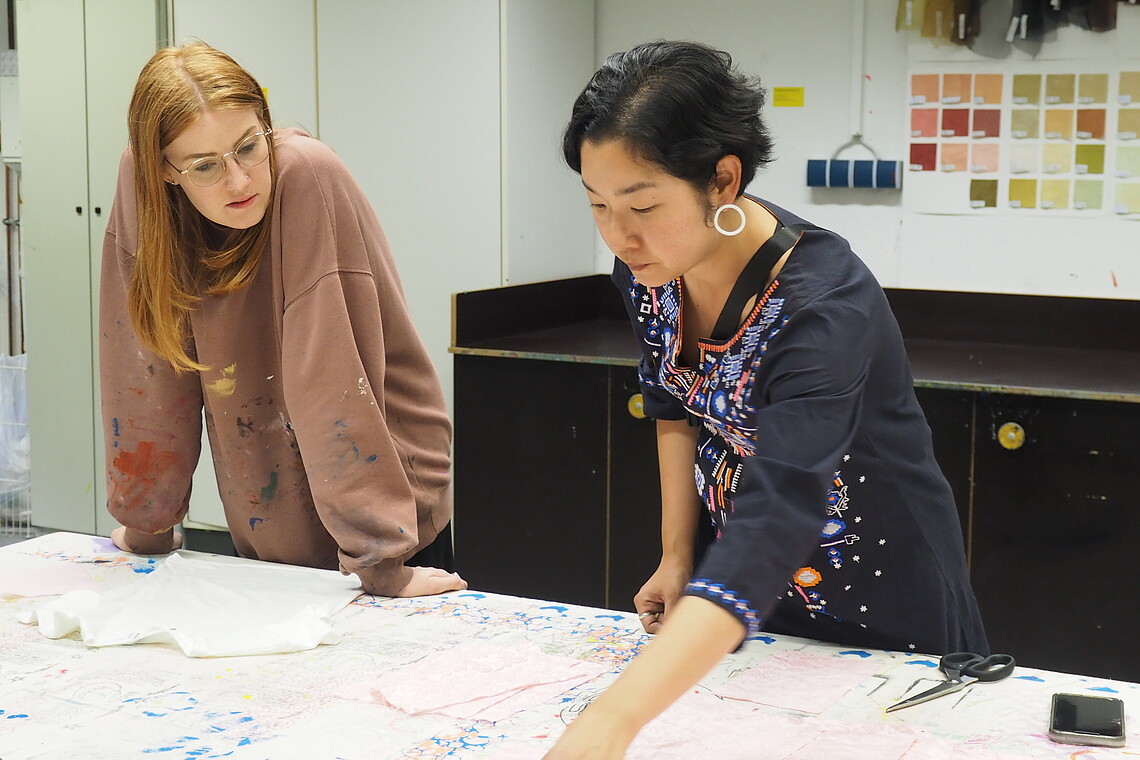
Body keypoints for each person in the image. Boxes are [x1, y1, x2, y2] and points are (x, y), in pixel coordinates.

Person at [545, 41, 987, 758]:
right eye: (597, 204)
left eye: (643, 204)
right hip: (737, 587)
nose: (619, 235)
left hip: (878, 588)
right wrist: (678, 553)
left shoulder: (822, 307)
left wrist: (609, 721)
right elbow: (671, 403)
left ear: (723, 179)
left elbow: (783, 502)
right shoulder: (653, 267)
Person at [100, 41, 466, 599]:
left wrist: (380, 560)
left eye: (248, 147)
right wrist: (147, 518)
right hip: (269, 503)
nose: (240, 181)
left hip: (387, 505)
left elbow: (331, 376)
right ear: (163, 172)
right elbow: (145, 363)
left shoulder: (308, 176)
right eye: (204, 166)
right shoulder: (144, 189)